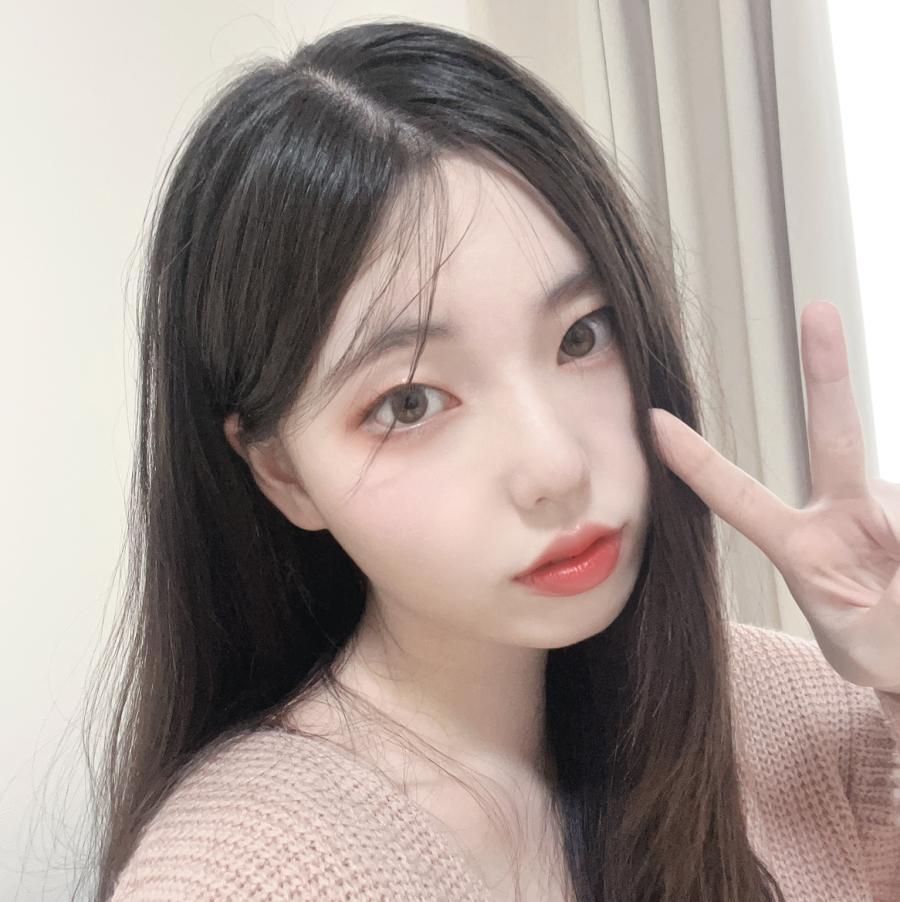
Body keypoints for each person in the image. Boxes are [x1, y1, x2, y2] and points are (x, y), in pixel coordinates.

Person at [87, 19, 899, 902]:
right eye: (409, 402)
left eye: (581, 336)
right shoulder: (245, 874)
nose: (554, 468)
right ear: (282, 473)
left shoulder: (790, 714)